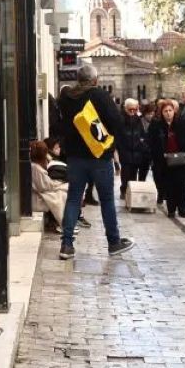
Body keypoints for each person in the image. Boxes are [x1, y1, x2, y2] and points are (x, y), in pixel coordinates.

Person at [54, 63, 135, 260]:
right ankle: (114, 242)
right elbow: (116, 122)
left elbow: (60, 125)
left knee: (74, 198)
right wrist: (114, 145)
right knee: (106, 200)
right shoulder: (99, 95)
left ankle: (67, 245)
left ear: (78, 79)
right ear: (95, 80)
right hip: (100, 157)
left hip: (75, 157)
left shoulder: (66, 98)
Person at [150, 99, 185, 218]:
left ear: (174, 111)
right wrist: (158, 156)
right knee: (169, 185)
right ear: (161, 112)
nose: (168, 113)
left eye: (170, 110)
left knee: (181, 185)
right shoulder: (157, 124)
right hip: (165, 160)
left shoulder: (182, 123)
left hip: (181, 159)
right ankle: (171, 208)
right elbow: (152, 142)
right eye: (165, 111)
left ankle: (182, 208)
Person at [116, 98, 150, 200]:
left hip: (137, 151)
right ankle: (124, 190)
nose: (132, 112)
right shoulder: (120, 119)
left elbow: (142, 134)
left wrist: (141, 143)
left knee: (133, 173)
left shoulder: (138, 119)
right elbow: (118, 135)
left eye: (134, 109)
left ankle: (132, 192)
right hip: (125, 151)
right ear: (125, 108)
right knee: (125, 173)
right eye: (130, 109)